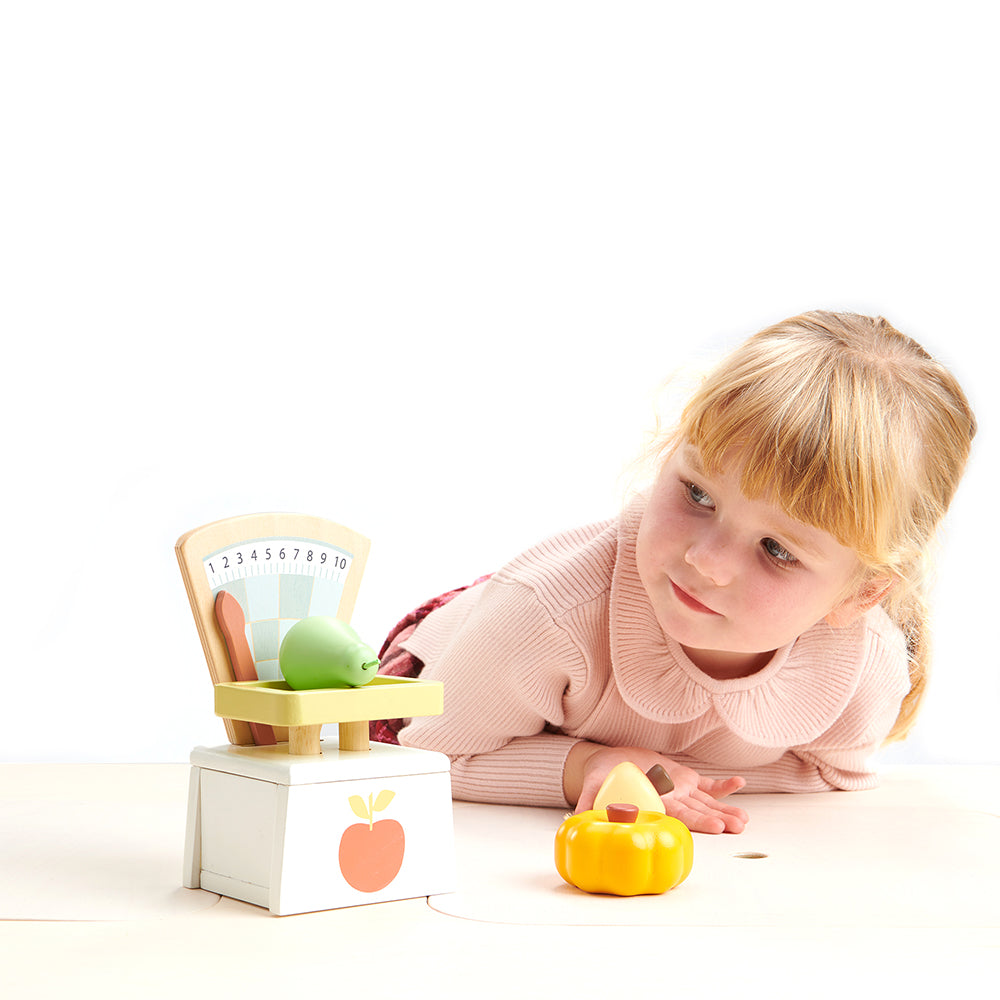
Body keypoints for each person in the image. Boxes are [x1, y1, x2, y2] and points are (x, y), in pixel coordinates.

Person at [373, 311, 976, 834]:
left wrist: (671, 784)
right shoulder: (546, 613)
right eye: (699, 495)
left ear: (863, 593)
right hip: (436, 695)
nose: (705, 561)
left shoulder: (865, 662)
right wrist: (591, 768)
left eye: (778, 550)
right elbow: (429, 753)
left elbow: (834, 781)